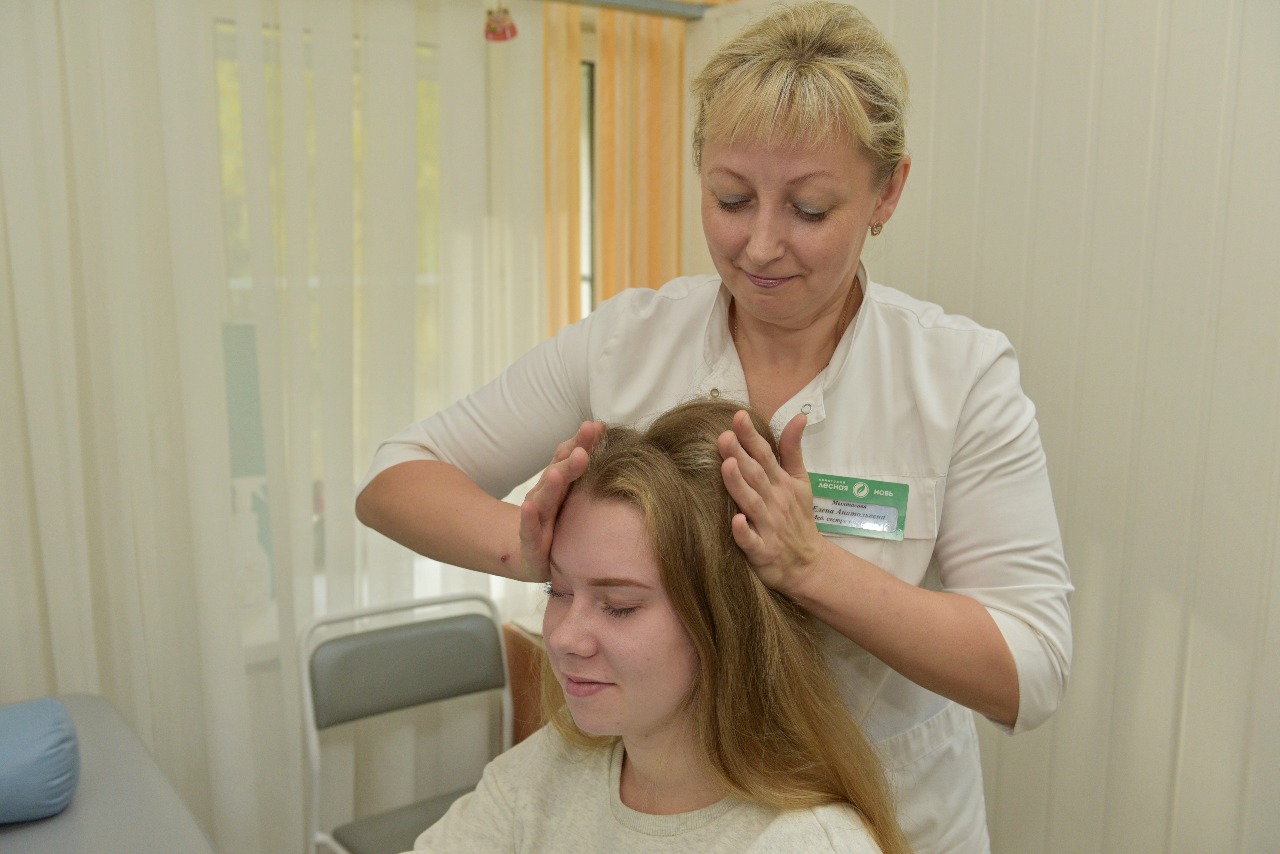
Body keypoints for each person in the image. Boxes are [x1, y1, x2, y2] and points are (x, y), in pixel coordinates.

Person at [359, 3, 1072, 851]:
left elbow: (1031, 669)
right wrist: (539, 549)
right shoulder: (628, 342)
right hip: (670, 810)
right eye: (732, 198)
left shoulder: (957, 377)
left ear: (887, 191)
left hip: (885, 819)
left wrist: (814, 569)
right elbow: (395, 478)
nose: (761, 245)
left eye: (810, 209)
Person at [407, 399, 909, 853]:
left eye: (619, 605)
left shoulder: (804, 843)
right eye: (557, 591)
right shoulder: (549, 770)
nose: (562, 638)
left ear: (725, 623)